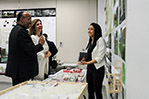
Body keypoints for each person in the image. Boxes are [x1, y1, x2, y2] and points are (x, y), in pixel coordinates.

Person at [5, 11, 45, 86]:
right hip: (21, 71)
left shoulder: (16, 29)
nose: (30, 22)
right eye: (28, 19)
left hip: (19, 70)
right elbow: (31, 50)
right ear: (21, 19)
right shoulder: (21, 32)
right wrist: (40, 45)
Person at [78, 23, 106, 99]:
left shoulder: (100, 40)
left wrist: (87, 62)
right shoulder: (90, 41)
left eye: (91, 29)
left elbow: (99, 58)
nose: (89, 31)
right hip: (90, 69)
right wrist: (84, 59)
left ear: (96, 30)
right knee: (90, 89)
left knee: (97, 91)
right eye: (88, 29)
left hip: (98, 69)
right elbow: (90, 55)